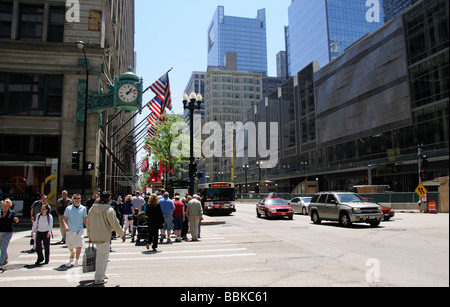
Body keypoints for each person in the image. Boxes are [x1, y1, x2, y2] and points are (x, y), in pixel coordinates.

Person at [87, 191, 125, 285]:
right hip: (104, 235)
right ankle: (99, 277)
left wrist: (89, 235)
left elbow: (89, 223)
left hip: (95, 235)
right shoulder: (109, 209)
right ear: (108, 198)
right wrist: (122, 234)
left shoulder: (92, 209)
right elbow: (115, 223)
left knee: (102, 255)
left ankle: (102, 274)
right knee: (102, 256)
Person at [63, 193, 87, 267]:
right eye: (75, 198)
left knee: (79, 245)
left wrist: (89, 229)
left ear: (80, 199)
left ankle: (76, 260)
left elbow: (85, 219)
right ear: (73, 199)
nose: (77, 200)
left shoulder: (83, 208)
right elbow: (64, 219)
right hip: (70, 230)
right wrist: (66, 226)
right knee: (70, 245)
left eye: (78, 198)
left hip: (79, 230)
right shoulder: (68, 208)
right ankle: (72, 254)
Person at [0, 199, 19, 271]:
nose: (4, 207)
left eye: (6, 206)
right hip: (0, 231)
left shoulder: (12, 212)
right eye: (3, 206)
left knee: (3, 247)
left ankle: (1, 262)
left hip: (8, 232)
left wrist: (16, 220)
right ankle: (5, 258)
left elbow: (16, 220)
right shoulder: (0, 212)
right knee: (1, 246)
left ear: (9, 206)